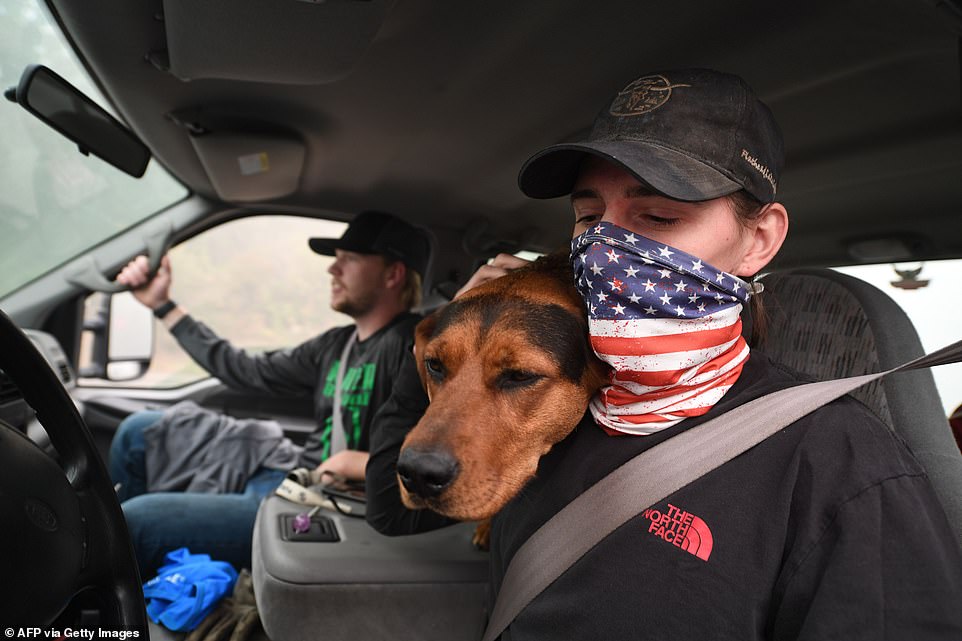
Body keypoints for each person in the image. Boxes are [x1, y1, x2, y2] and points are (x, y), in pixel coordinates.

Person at [365, 69, 962, 638]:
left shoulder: (836, 460)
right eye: (588, 216)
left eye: (657, 216)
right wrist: (452, 332)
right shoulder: (570, 395)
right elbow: (394, 509)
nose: (606, 246)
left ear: (758, 240)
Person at [109, 210, 431, 576]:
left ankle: (123, 595)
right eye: (336, 259)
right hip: (290, 472)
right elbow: (246, 370)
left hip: (323, 503)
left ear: (393, 274)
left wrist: (353, 463)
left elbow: (440, 453)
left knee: (135, 522)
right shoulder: (336, 344)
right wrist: (163, 306)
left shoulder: (416, 349)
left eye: (350, 259)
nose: (333, 269)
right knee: (141, 432)